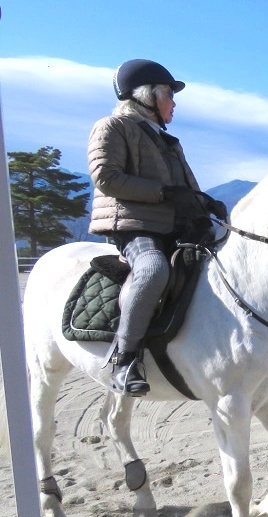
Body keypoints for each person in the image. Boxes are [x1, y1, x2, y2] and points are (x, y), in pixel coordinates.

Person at [87, 59, 227, 396]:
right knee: (152, 269)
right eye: (168, 94)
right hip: (136, 226)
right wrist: (163, 193)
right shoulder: (112, 126)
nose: (174, 102)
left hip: (177, 224)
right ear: (145, 96)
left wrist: (204, 202)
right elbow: (105, 177)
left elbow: (184, 186)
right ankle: (125, 358)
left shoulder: (168, 140)